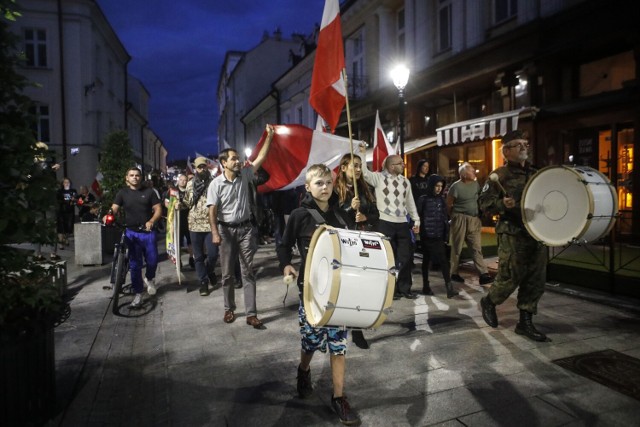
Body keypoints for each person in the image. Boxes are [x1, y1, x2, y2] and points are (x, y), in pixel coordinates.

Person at [276, 164, 360, 426]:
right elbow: (284, 244)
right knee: (311, 341)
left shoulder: (343, 214)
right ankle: (303, 370)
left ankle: (338, 397)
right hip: (311, 290)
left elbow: (355, 248)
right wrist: (286, 263)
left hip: (338, 291)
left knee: (338, 344)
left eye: (328, 183)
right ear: (308, 187)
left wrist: (361, 222)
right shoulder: (300, 215)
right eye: (319, 183)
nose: (325, 188)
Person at [478, 130, 549, 342]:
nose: (524, 148)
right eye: (518, 145)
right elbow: (483, 204)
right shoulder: (499, 175)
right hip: (512, 232)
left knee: (536, 279)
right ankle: (490, 301)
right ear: (506, 151)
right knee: (510, 276)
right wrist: (502, 204)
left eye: (525, 144)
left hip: (537, 232)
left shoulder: (537, 173)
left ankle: (525, 322)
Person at [207, 124, 275, 329]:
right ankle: (229, 309)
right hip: (226, 231)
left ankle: (251, 314)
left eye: (238, 158)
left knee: (248, 271)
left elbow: (261, 159)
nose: (238, 161)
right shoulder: (216, 184)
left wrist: (269, 137)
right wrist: (215, 233)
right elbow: (212, 210)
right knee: (227, 274)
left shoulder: (245, 175)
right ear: (224, 163)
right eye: (233, 159)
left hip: (246, 230)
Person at [360, 146, 420, 300]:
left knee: (406, 257)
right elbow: (364, 173)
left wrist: (416, 219)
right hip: (384, 223)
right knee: (388, 258)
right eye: (401, 163)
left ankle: (404, 288)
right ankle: (390, 290)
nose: (404, 165)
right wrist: (361, 153)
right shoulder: (379, 178)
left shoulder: (406, 182)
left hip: (402, 223)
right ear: (392, 166)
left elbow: (410, 202)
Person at [334, 152, 378, 350]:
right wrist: (348, 209)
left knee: (362, 284)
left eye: (361, 165)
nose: (359, 169)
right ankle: (350, 326)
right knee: (347, 284)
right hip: (346, 243)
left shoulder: (365, 189)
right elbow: (333, 217)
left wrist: (366, 217)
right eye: (355, 165)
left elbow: (376, 213)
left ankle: (358, 325)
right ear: (343, 168)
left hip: (364, 241)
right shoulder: (335, 190)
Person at [107, 167, 162, 308]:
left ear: (141, 177)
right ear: (127, 178)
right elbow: (114, 208)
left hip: (148, 232)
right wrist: (109, 215)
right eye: (131, 175)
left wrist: (151, 221)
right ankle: (138, 294)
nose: (135, 177)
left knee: (153, 260)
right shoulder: (122, 193)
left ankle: (149, 278)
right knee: (135, 265)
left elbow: (158, 209)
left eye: (137, 175)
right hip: (131, 233)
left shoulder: (149, 192)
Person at [447, 162, 493, 287]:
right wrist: (454, 217)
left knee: (476, 247)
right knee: (457, 247)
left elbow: (479, 198)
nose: (474, 173)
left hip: (474, 219)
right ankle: (453, 272)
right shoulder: (455, 187)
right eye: (472, 171)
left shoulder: (475, 184)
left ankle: (483, 274)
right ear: (464, 174)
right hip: (460, 218)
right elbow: (449, 204)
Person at [183, 158, 218, 296]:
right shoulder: (190, 184)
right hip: (194, 224)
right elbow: (187, 201)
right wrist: (180, 204)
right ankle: (203, 282)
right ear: (195, 168)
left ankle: (209, 270)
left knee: (213, 254)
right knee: (198, 256)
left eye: (204, 166)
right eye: (199, 167)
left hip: (211, 224)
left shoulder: (214, 182)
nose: (202, 169)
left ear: (207, 167)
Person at [417, 175, 457, 298]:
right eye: (437, 186)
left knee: (443, 261)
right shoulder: (423, 199)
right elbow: (418, 216)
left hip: (438, 235)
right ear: (431, 185)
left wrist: (445, 235)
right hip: (427, 236)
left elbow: (444, 218)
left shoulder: (441, 200)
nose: (439, 189)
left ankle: (448, 288)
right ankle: (427, 286)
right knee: (427, 260)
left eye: (441, 186)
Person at [165, 173, 194, 268]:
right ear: (178, 180)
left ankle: (191, 258)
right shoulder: (172, 191)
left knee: (191, 241)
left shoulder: (189, 190)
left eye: (185, 180)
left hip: (189, 218)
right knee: (178, 241)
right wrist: (173, 206)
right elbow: (166, 203)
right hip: (177, 220)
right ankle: (179, 259)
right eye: (181, 180)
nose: (183, 181)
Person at [56, 177, 77, 250]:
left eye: (68, 182)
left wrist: (75, 200)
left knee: (69, 227)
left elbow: (76, 199)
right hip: (62, 211)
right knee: (61, 227)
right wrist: (66, 202)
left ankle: (66, 239)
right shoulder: (60, 191)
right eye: (65, 182)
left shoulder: (73, 191)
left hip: (70, 212)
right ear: (62, 183)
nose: (67, 183)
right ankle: (60, 243)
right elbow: (58, 201)